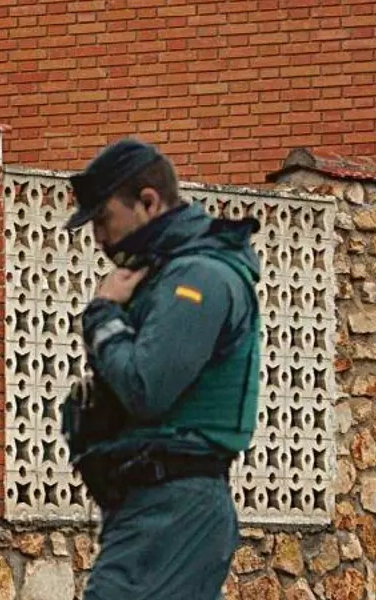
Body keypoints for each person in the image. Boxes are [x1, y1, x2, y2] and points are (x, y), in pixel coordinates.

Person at [59, 137, 263, 600]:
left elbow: (146, 386)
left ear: (148, 202)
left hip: (174, 504)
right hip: (150, 504)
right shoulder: (164, 273)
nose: (99, 238)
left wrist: (103, 316)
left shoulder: (199, 277)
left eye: (104, 219)